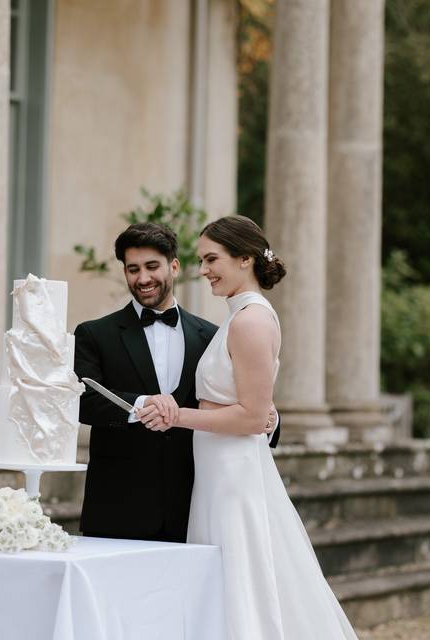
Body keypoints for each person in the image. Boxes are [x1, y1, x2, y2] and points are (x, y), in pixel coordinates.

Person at [141, 216, 358, 639]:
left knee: (244, 580)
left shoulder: (251, 321)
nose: (202, 270)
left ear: (245, 259)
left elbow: (253, 418)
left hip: (234, 475)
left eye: (211, 259)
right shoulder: (239, 316)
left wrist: (175, 415)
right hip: (217, 470)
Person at [74, 223, 279, 543]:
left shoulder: (213, 335)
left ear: (174, 266)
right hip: (119, 506)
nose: (142, 278)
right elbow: (80, 400)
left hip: (196, 500)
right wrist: (144, 405)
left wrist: (271, 417)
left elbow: (245, 402)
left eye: (152, 266)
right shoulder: (94, 334)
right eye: (133, 269)